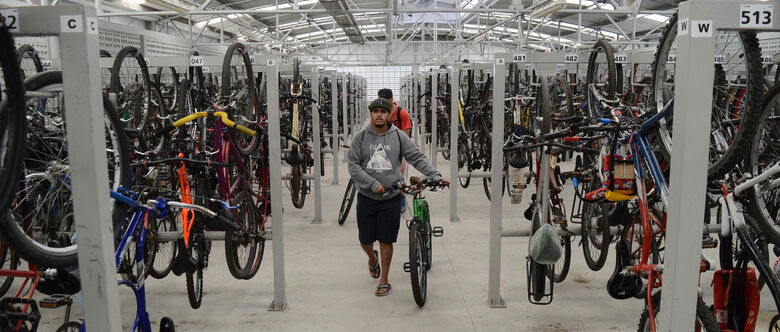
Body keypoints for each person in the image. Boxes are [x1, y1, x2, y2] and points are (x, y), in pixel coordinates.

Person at [347, 98, 449, 297]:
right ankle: (371, 258)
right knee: (365, 239)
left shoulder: (399, 136)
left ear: (388, 115)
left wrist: (434, 175)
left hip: (391, 197)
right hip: (367, 197)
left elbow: (417, 157)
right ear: (371, 114)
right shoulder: (360, 138)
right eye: (375, 111)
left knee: (386, 240)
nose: (379, 115)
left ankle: (384, 279)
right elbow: (353, 166)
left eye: (382, 112)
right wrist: (373, 184)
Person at [378, 88, 413, 212]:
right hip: (383, 148)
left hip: (400, 149)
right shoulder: (380, 114)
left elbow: (406, 136)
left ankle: (401, 201)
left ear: (392, 100)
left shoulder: (401, 113)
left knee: (400, 175)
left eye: (386, 102)